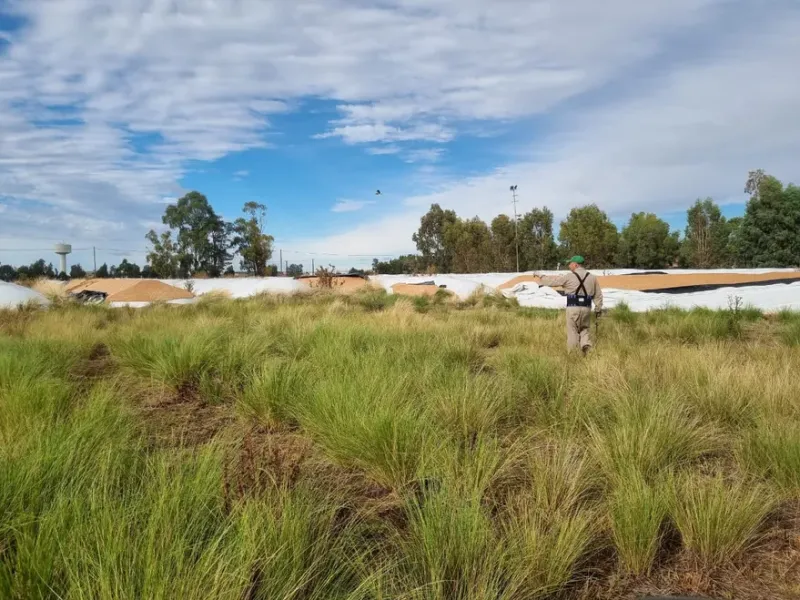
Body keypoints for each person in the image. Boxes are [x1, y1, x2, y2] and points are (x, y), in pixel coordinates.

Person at [537, 256, 603, 355]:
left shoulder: (569, 276)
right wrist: (598, 308)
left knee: (573, 331)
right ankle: (586, 345)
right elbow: (598, 295)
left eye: (570, 263)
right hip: (586, 308)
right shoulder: (592, 278)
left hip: (573, 307)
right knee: (585, 329)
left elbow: (552, 282)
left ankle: (573, 355)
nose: (569, 266)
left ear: (576, 265)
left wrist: (541, 276)